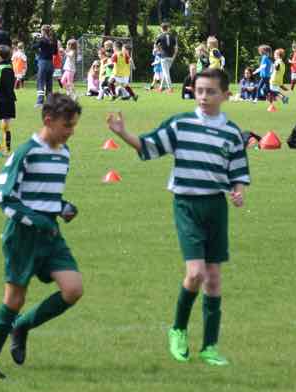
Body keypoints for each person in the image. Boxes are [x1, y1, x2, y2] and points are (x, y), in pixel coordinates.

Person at [107, 68, 250, 367]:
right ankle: (178, 329)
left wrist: (238, 193)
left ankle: (210, 346)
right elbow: (149, 145)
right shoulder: (181, 124)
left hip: (216, 207)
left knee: (213, 278)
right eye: (199, 91)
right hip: (187, 205)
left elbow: (238, 171)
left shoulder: (232, 133)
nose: (203, 97)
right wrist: (122, 133)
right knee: (195, 273)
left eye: (211, 91)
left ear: (225, 95)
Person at [0, 94, 83, 380]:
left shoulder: (64, 153)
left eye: (73, 125)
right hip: (23, 236)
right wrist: (36, 219)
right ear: (48, 120)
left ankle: (22, 326)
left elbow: (44, 196)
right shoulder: (27, 152)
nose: (71, 131)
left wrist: (62, 208)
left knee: (73, 289)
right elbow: (2, 195)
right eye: (67, 125)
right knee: (14, 300)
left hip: (49, 234)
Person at [0, 45, 17, 155]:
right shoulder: (10, 68)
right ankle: (7, 149)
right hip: (10, 99)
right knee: (6, 125)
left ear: (0, 57)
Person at [32, 24, 58, 107]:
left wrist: (35, 38)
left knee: (40, 82)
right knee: (49, 83)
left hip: (43, 62)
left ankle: (40, 102)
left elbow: (33, 47)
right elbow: (55, 52)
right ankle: (50, 101)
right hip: (50, 63)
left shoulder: (42, 40)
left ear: (43, 31)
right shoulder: (54, 40)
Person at [155, 22, 178, 93]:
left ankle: (170, 89)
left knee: (166, 73)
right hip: (171, 56)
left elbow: (155, 45)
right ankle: (161, 88)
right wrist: (174, 56)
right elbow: (176, 48)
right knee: (166, 72)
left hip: (164, 56)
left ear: (162, 28)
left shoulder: (160, 36)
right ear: (167, 28)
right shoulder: (172, 36)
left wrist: (159, 50)